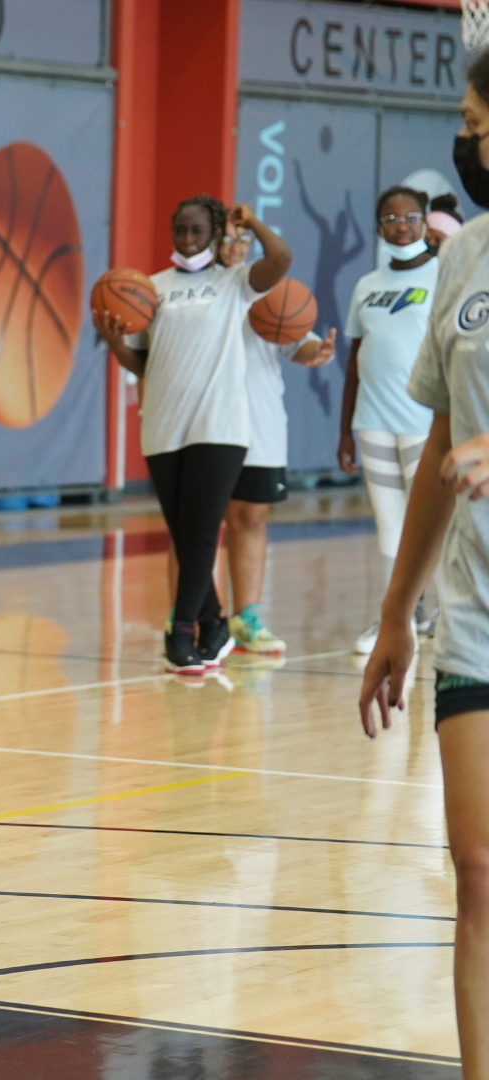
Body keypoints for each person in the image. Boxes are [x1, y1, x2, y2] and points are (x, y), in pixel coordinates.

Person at [361, 50, 489, 1080]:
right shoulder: (464, 259)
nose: (467, 137)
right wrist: (398, 611)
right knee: (480, 878)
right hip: (475, 613)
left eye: (477, 119)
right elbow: (447, 433)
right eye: (464, 117)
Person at [96, 196, 291, 674]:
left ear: (216, 233)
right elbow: (143, 363)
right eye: (180, 230)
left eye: (198, 231)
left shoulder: (234, 283)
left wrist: (252, 223)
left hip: (220, 426)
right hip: (163, 425)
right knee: (185, 535)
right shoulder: (150, 289)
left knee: (202, 530)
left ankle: (183, 633)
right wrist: (116, 339)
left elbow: (281, 260)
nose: (187, 239)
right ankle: (214, 621)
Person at [212, 224, 334, 654]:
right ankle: (202, 619)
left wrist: (314, 353)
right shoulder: (197, 290)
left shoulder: (268, 291)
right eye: (225, 238)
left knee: (251, 519)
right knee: (202, 526)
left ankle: (246, 619)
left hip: (259, 423)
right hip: (206, 423)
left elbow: (297, 343)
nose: (235, 246)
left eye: (241, 240)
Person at [340, 186, 440, 654]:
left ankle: (439, 612)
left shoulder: (445, 273)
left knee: (432, 523)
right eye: (389, 218)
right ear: (378, 226)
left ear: (425, 220)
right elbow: (355, 357)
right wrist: (344, 429)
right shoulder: (367, 285)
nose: (400, 225)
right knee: (389, 523)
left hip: (425, 422)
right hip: (372, 420)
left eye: (409, 216)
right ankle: (395, 616)